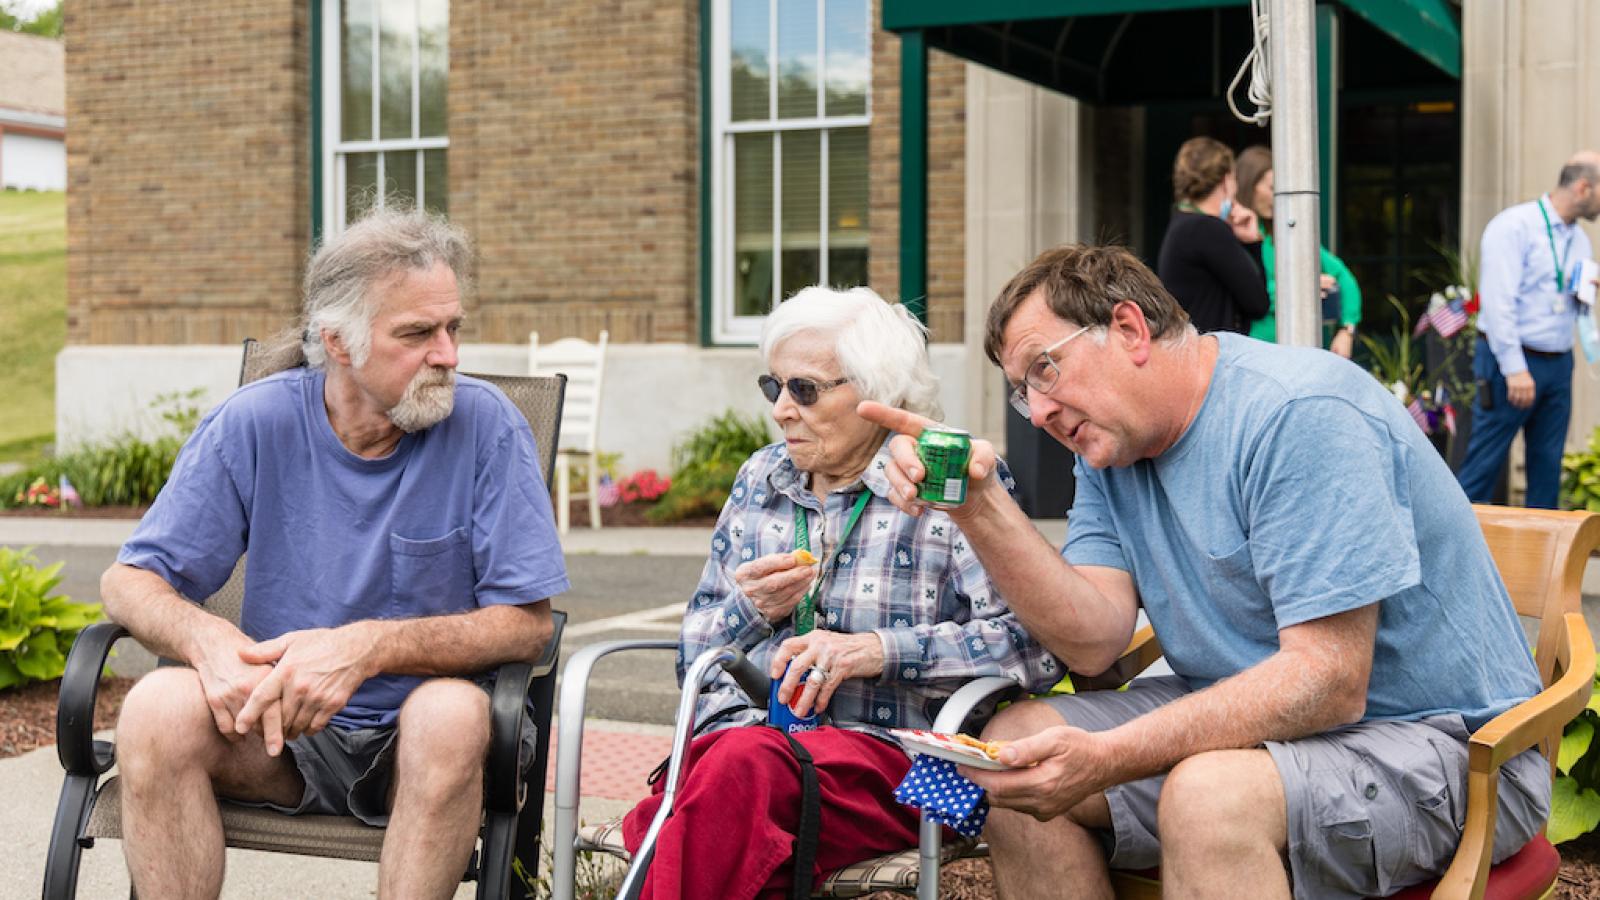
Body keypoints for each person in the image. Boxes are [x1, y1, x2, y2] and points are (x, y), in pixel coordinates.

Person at [859, 244, 1549, 900]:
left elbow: (1331, 681)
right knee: (1015, 755)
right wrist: (980, 507)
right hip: (1261, 728)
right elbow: (1094, 637)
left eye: (1044, 370)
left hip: (1449, 745)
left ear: (1129, 328)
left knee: (1209, 798)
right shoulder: (1112, 449)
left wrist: (1113, 756)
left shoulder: (1297, 414)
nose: (1036, 412)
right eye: (1020, 392)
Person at [102, 208, 570, 899]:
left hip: (424, 740)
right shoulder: (254, 423)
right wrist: (207, 642)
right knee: (156, 708)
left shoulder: (487, 427)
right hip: (278, 733)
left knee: (449, 715)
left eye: (453, 327)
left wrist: (368, 647)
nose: (448, 354)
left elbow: (528, 624)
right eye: (417, 333)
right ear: (338, 342)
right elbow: (129, 580)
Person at [619, 286, 1059, 900]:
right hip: (749, 754)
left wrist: (877, 651)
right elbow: (694, 656)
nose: (781, 411)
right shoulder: (761, 479)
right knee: (729, 792)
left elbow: (1034, 649)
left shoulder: (948, 483)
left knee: (694, 809)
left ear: (878, 396)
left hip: (907, 769)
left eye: (805, 389)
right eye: (773, 387)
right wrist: (752, 612)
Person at [1456, 151, 1600, 509]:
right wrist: (1515, 368)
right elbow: (1497, 303)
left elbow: (1573, 303)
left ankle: (1542, 564)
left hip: (1557, 364)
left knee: (1546, 468)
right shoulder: (1513, 226)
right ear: (1584, 188)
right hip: (1511, 363)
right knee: (1483, 465)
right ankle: (1450, 556)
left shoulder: (1580, 240)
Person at [1235, 144, 1363, 358]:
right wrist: (1304, 287)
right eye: (1272, 187)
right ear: (1250, 186)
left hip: (1300, 352)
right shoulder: (1234, 236)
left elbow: (1344, 277)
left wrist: (1346, 330)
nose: (1278, 195)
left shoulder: (1286, 233)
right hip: (1255, 354)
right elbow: (1248, 293)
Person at [1156, 136, 1271, 334]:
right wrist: (1254, 243)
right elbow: (1258, 305)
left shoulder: (1183, 224)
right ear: (1226, 180)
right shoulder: (1207, 229)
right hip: (1213, 359)